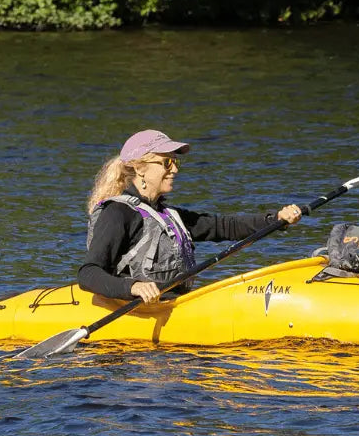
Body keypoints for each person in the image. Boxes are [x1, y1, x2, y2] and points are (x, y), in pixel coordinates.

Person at [79, 128, 303, 304]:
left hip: (172, 304)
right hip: (136, 310)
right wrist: (133, 287)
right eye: (167, 162)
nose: (175, 170)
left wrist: (276, 220)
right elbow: (88, 274)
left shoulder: (168, 215)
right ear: (140, 169)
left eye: (175, 162)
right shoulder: (117, 213)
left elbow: (224, 226)